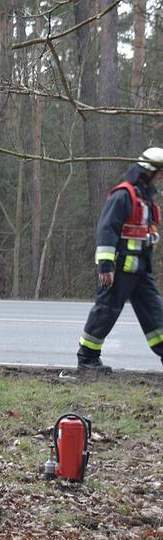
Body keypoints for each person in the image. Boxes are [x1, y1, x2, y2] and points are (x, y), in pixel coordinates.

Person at [77, 147, 163, 372]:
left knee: (156, 314)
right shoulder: (123, 195)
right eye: (160, 172)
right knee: (106, 312)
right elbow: (107, 230)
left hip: (142, 272)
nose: (161, 177)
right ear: (148, 172)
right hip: (120, 270)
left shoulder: (147, 200)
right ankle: (87, 358)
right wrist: (106, 265)